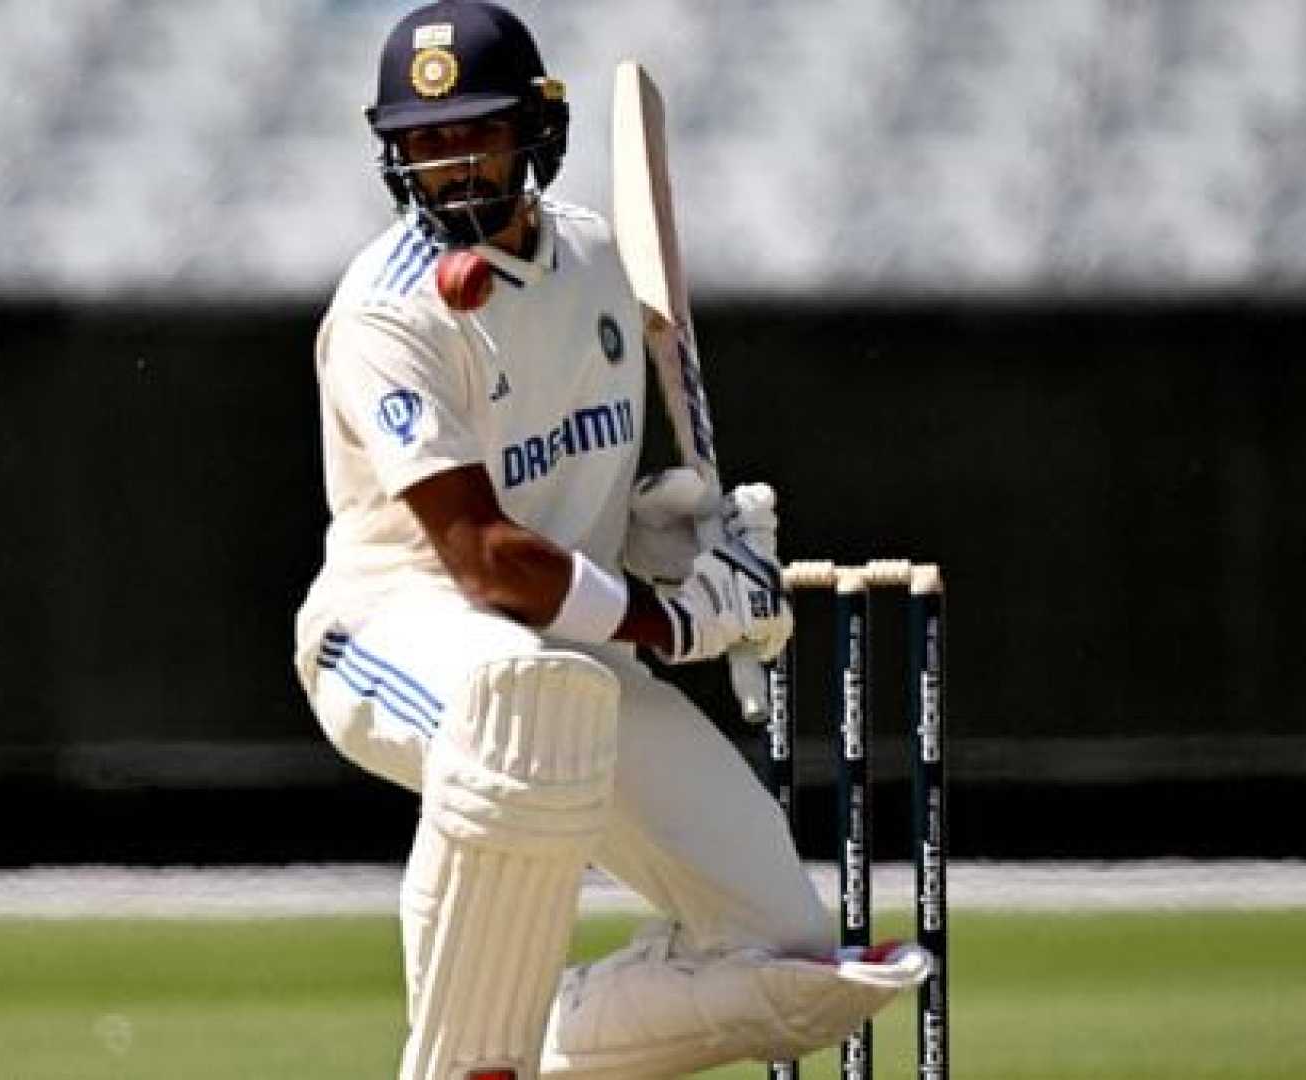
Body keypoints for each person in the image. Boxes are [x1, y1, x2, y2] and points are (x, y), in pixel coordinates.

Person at [291, 3, 929, 1077]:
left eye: (473, 134)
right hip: (393, 636)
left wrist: (674, 539)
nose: (450, 167)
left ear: (535, 131)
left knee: (803, 963)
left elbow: (576, 493)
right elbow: (484, 557)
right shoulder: (388, 317)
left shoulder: (595, 260)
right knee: (516, 695)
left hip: (578, 656)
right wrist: (673, 621)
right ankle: (461, 1064)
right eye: (424, 143)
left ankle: (533, 1050)